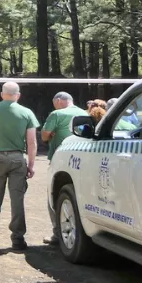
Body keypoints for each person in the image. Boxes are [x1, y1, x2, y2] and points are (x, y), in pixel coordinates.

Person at [0, 81, 39, 251]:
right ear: (18, 95)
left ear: (2, 94)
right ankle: (18, 238)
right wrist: (31, 164)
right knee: (17, 200)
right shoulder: (27, 112)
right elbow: (32, 142)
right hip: (18, 159)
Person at [41, 91, 88, 246]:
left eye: (54, 103)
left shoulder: (56, 114)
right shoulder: (84, 113)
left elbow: (44, 136)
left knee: (54, 197)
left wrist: (51, 135)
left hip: (59, 160)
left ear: (60, 101)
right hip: (81, 160)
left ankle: (57, 233)